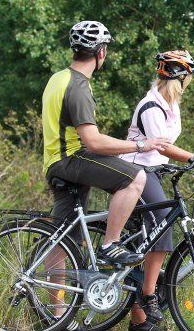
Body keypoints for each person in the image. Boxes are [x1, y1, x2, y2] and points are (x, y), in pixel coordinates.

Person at [42, 21, 172, 327]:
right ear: (101, 52)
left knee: (62, 241)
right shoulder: (78, 87)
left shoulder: (58, 78)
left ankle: (58, 319)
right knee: (134, 177)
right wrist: (140, 143)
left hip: (54, 160)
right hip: (71, 159)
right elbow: (93, 141)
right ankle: (110, 244)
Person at [119, 50, 194, 331]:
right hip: (135, 173)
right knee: (164, 223)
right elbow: (161, 146)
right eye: (188, 76)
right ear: (181, 77)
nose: (189, 82)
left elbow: (163, 151)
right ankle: (149, 295)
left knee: (143, 242)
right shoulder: (152, 106)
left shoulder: (170, 105)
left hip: (153, 171)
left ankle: (139, 321)